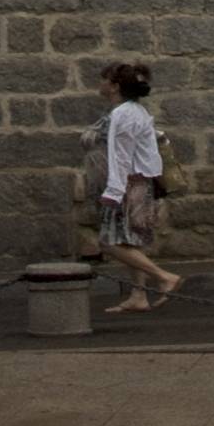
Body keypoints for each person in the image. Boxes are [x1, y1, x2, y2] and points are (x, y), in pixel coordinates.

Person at [94, 61, 181, 313]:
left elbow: (121, 156)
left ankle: (164, 277)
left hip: (132, 184)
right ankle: (139, 295)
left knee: (109, 243)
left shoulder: (122, 115)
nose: (100, 83)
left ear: (114, 86)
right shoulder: (136, 111)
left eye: (104, 79)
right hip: (142, 182)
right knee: (131, 242)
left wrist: (113, 192)